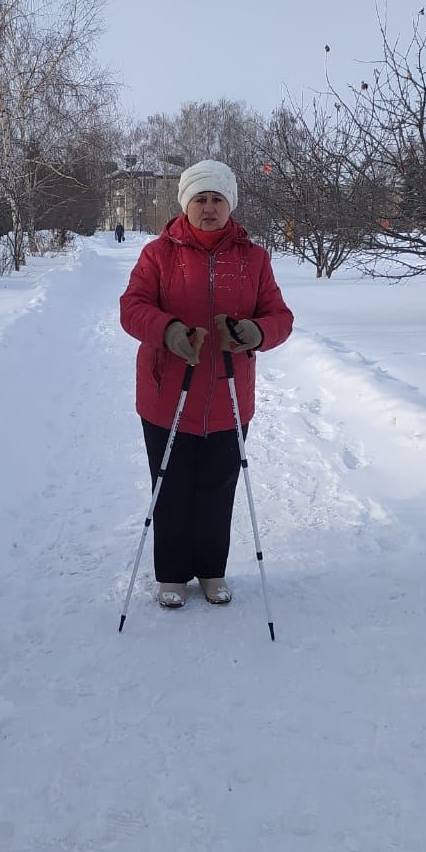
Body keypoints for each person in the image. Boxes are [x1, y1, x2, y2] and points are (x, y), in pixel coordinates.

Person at [120, 159, 293, 609]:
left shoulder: (253, 258)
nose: (209, 207)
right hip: (167, 396)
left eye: (217, 199)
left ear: (230, 204)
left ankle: (212, 570)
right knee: (171, 486)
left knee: (219, 488)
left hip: (229, 397)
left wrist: (255, 332)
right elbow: (132, 307)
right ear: (186, 203)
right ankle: (172, 575)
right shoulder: (158, 254)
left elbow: (280, 317)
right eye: (201, 198)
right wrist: (170, 331)